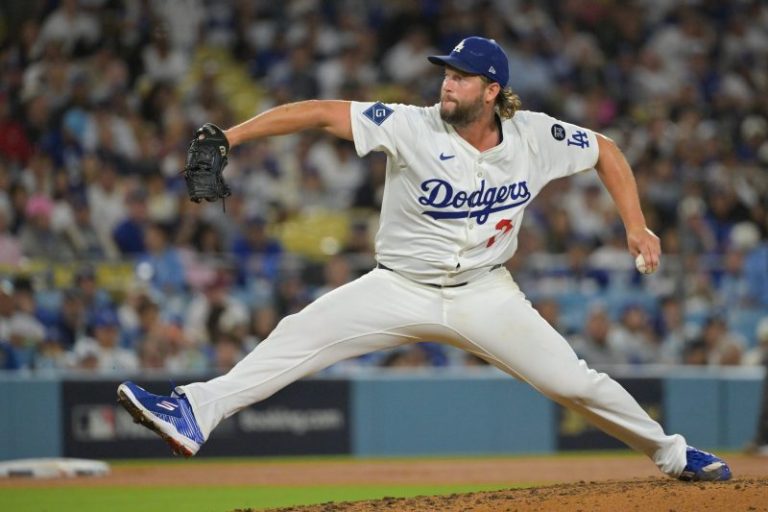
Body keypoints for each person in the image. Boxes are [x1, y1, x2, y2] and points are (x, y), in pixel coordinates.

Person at [117, 36, 730, 482]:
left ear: (492, 91)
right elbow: (321, 113)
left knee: (573, 381)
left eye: (461, 77)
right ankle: (196, 410)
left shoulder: (536, 136)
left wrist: (636, 224)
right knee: (296, 333)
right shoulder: (412, 125)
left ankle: (672, 454)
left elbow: (605, 149)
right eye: (446, 73)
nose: (447, 83)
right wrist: (231, 136)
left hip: (486, 292)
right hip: (398, 286)